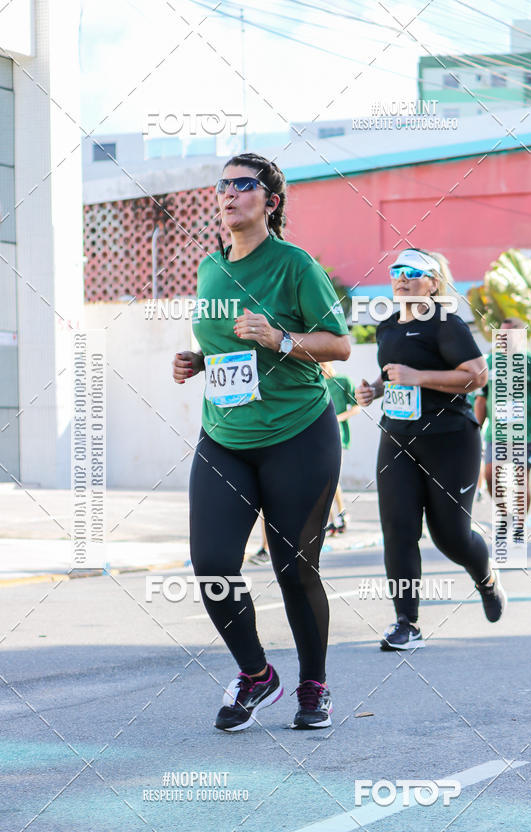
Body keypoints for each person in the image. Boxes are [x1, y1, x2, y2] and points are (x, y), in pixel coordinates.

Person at [172, 153, 350, 731]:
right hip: (225, 435)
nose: (228, 194)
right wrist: (198, 361)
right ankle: (256, 674)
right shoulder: (210, 268)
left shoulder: (295, 265)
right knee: (212, 565)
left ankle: (314, 684)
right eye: (222, 185)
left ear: (270, 202)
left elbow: (339, 345)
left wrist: (279, 337)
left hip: (297, 433)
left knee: (294, 566)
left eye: (243, 185)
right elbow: (225, 345)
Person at [355, 248, 507, 651]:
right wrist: (375, 389)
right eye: (396, 271)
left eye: (412, 272)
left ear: (433, 283)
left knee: (450, 537)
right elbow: (394, 374)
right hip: (397, 437)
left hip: (450, 439)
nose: (401, 278)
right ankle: (407, 623)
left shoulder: (446, 323)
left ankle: (486, 578)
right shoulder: (387, 327)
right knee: (398, 530)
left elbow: (477, 376)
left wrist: (418, 377)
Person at [474, 317, 531, 534]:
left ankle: (519, 524)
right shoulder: (490, 362)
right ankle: (505, 514)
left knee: (521, 479)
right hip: (496, 433)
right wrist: (476, 430)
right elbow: (481, 399)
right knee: (490, 476)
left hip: (525, 434)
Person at [321, 362, 360, 534]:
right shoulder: (316, 382)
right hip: (318, 435)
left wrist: (338, 418)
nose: (321, 366)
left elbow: (357, 407)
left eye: (323, 363)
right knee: (322, 479)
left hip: (338, 435)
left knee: (331, 477)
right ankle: (331, 520)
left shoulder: (343, 381)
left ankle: (341, 512)